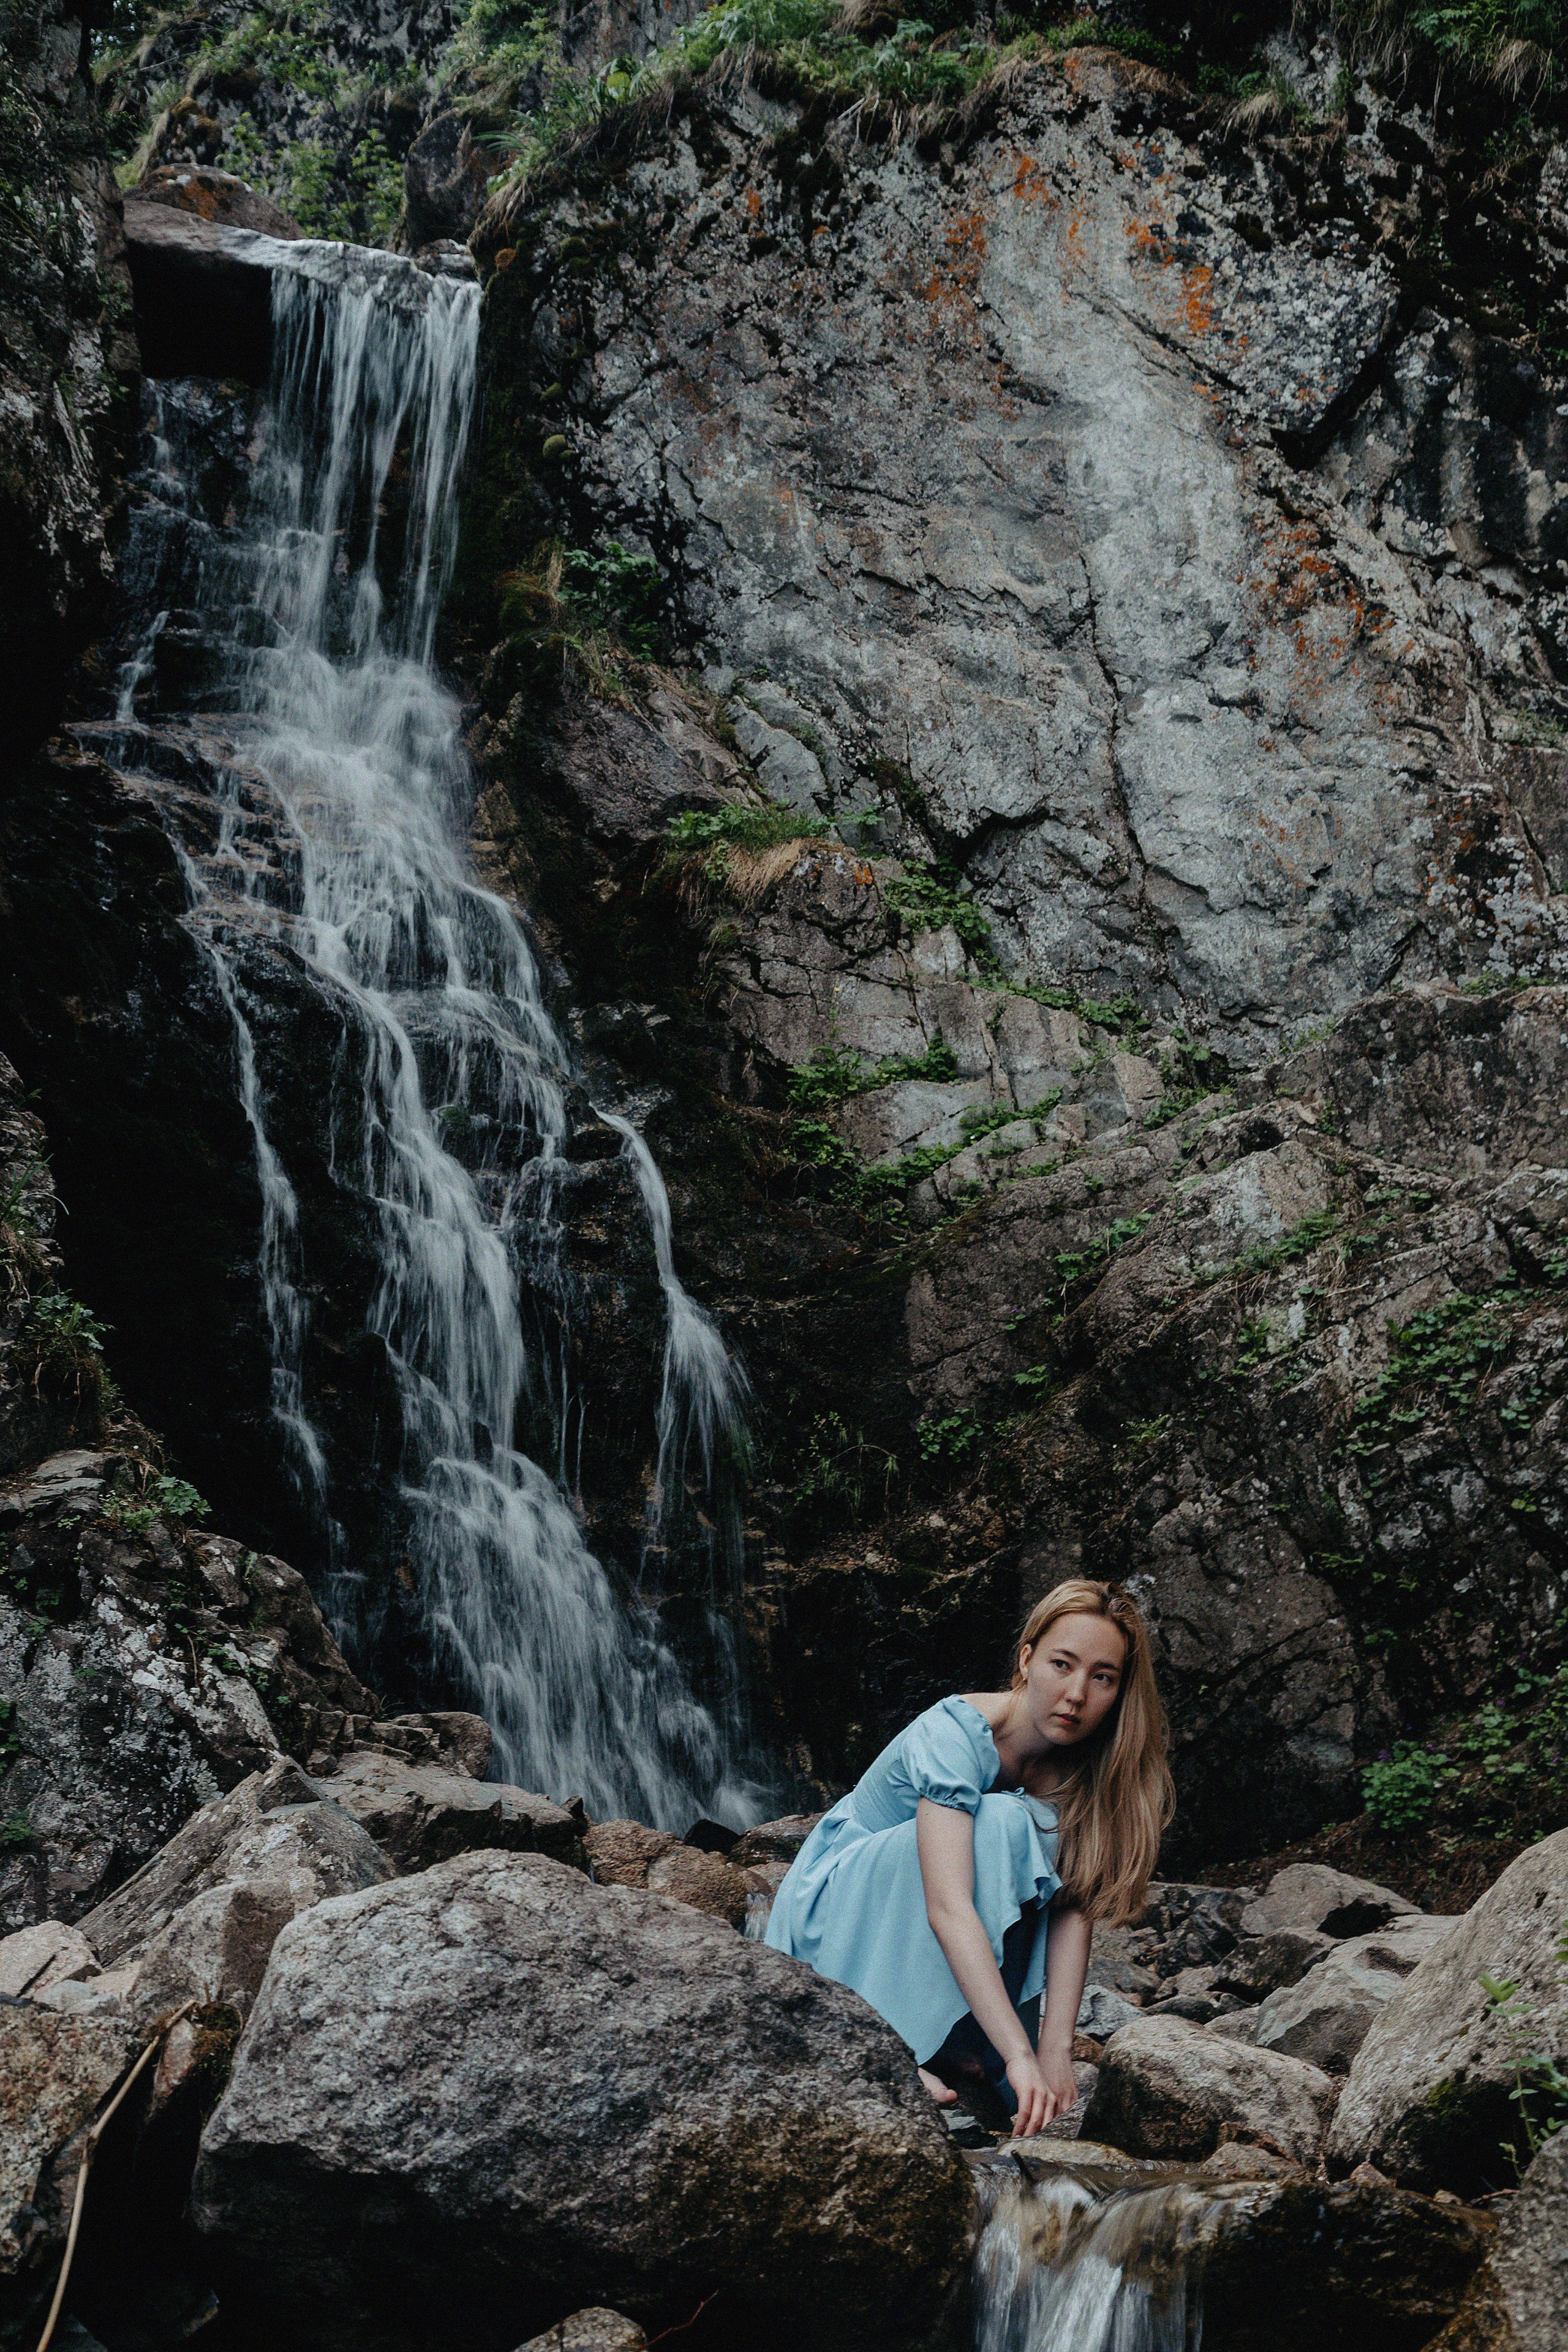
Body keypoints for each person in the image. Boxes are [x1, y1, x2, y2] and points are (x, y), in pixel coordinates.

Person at [763, 1578, 1174, 2138]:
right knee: (1005, 1819)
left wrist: (1054, 2052)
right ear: (1027, 1659)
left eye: (1101, 1677)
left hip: (924, 1918)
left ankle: (960, 2043)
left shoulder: (1085, 1771)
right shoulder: (955, 1732)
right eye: (1062, 1664)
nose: (1077, 1694)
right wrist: (1018, 2056)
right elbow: (949, 1905)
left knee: (1027, 1824)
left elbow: (1072, 1907)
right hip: (838, 1910)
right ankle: (889, 2047)